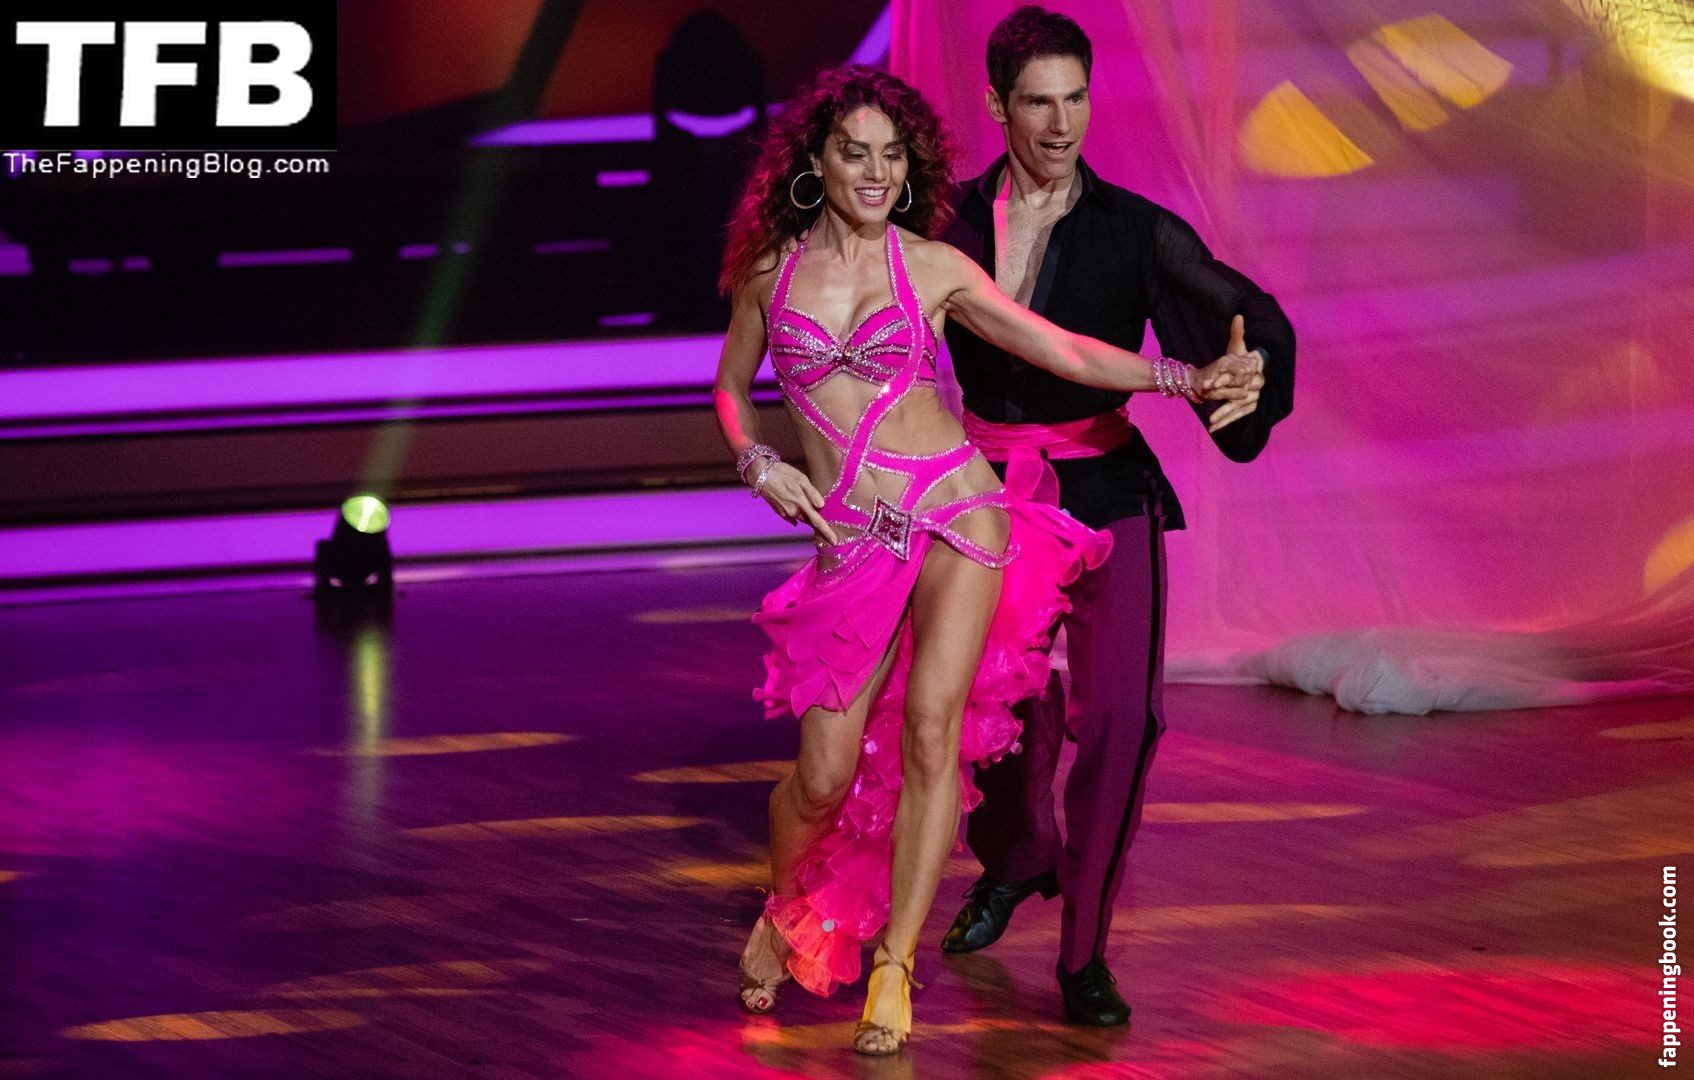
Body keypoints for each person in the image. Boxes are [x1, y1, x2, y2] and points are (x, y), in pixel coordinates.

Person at [712, 64, 1261, 1055]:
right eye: (853, 153)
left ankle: (894, 964)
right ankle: (784, 904)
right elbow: (727, 388)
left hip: (959, 513)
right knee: (822, 775)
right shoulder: (769, 277)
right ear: (814, 162)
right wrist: (757, 461)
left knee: (933, 734)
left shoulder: (931, 268)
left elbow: (1062, 349)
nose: (875, 173)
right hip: (855, 539)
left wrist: (1183, 377)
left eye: (892, 155)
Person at [936, 6, 1294, 1027]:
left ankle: (1083, 953)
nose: (1061, 124)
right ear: (997, 105)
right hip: (983, 494)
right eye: (1037, 102)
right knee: (982, 715)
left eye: (1076, 98)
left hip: (1105, 492)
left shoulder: (1135, 229)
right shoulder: (946, 228)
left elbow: (1246, 314)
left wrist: (1249, 373)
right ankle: (1020, 857)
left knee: (1123, 721)